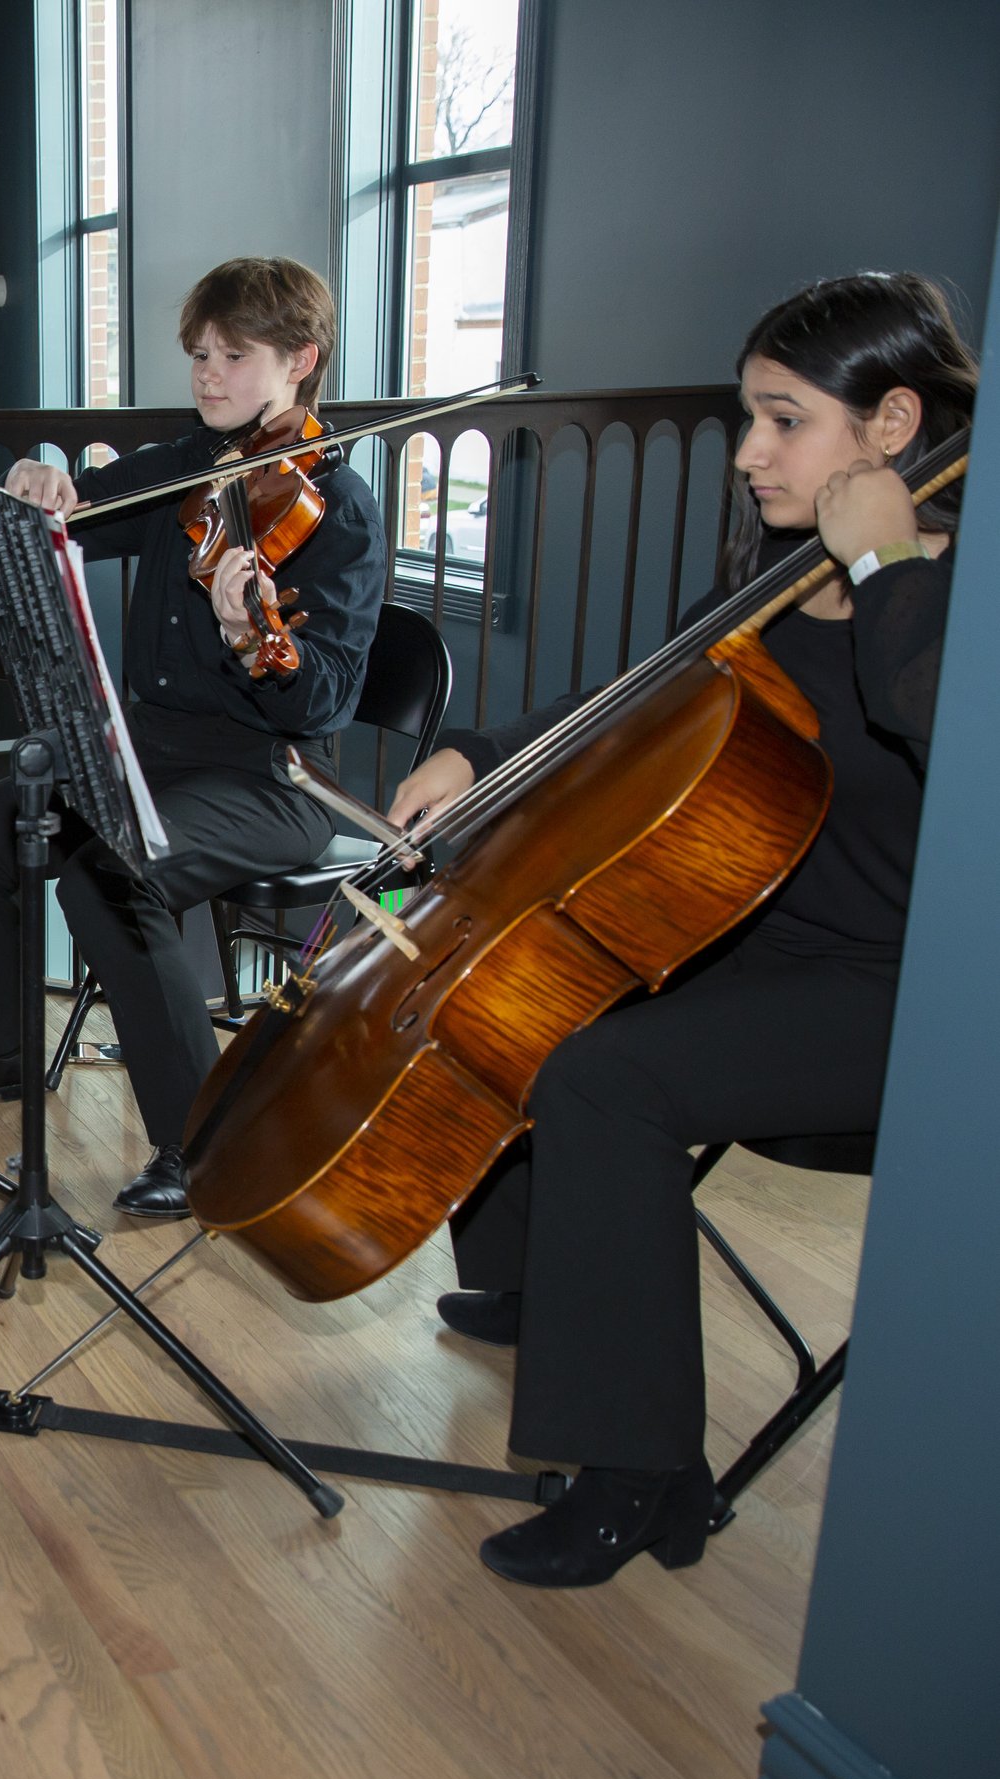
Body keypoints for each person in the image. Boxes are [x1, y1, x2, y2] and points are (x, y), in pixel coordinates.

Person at [383, 271, 972, 1587]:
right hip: (769, 938)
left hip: (911, 987)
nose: (751, 452)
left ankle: (638, 1474)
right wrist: (478, 751)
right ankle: (552, 1281)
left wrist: (884, 558)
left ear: (891, 425)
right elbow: (640, 695)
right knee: (521, 986)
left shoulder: (939, 584)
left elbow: (941, 723)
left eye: (783, 419)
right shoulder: (780, 566)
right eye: (745, 417)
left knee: (609, 1076)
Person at [0, 258, 386, 1216]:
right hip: (143, 757)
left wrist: (253, 638)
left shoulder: (342, 515)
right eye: (199, 353)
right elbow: (78, 510)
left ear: (302, 360)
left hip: (267, 782)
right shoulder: (190, 466)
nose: (207, 374)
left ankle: (200, 1140)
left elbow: (320, 702)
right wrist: (43, 482)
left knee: (116, 871)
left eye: (233, 356)